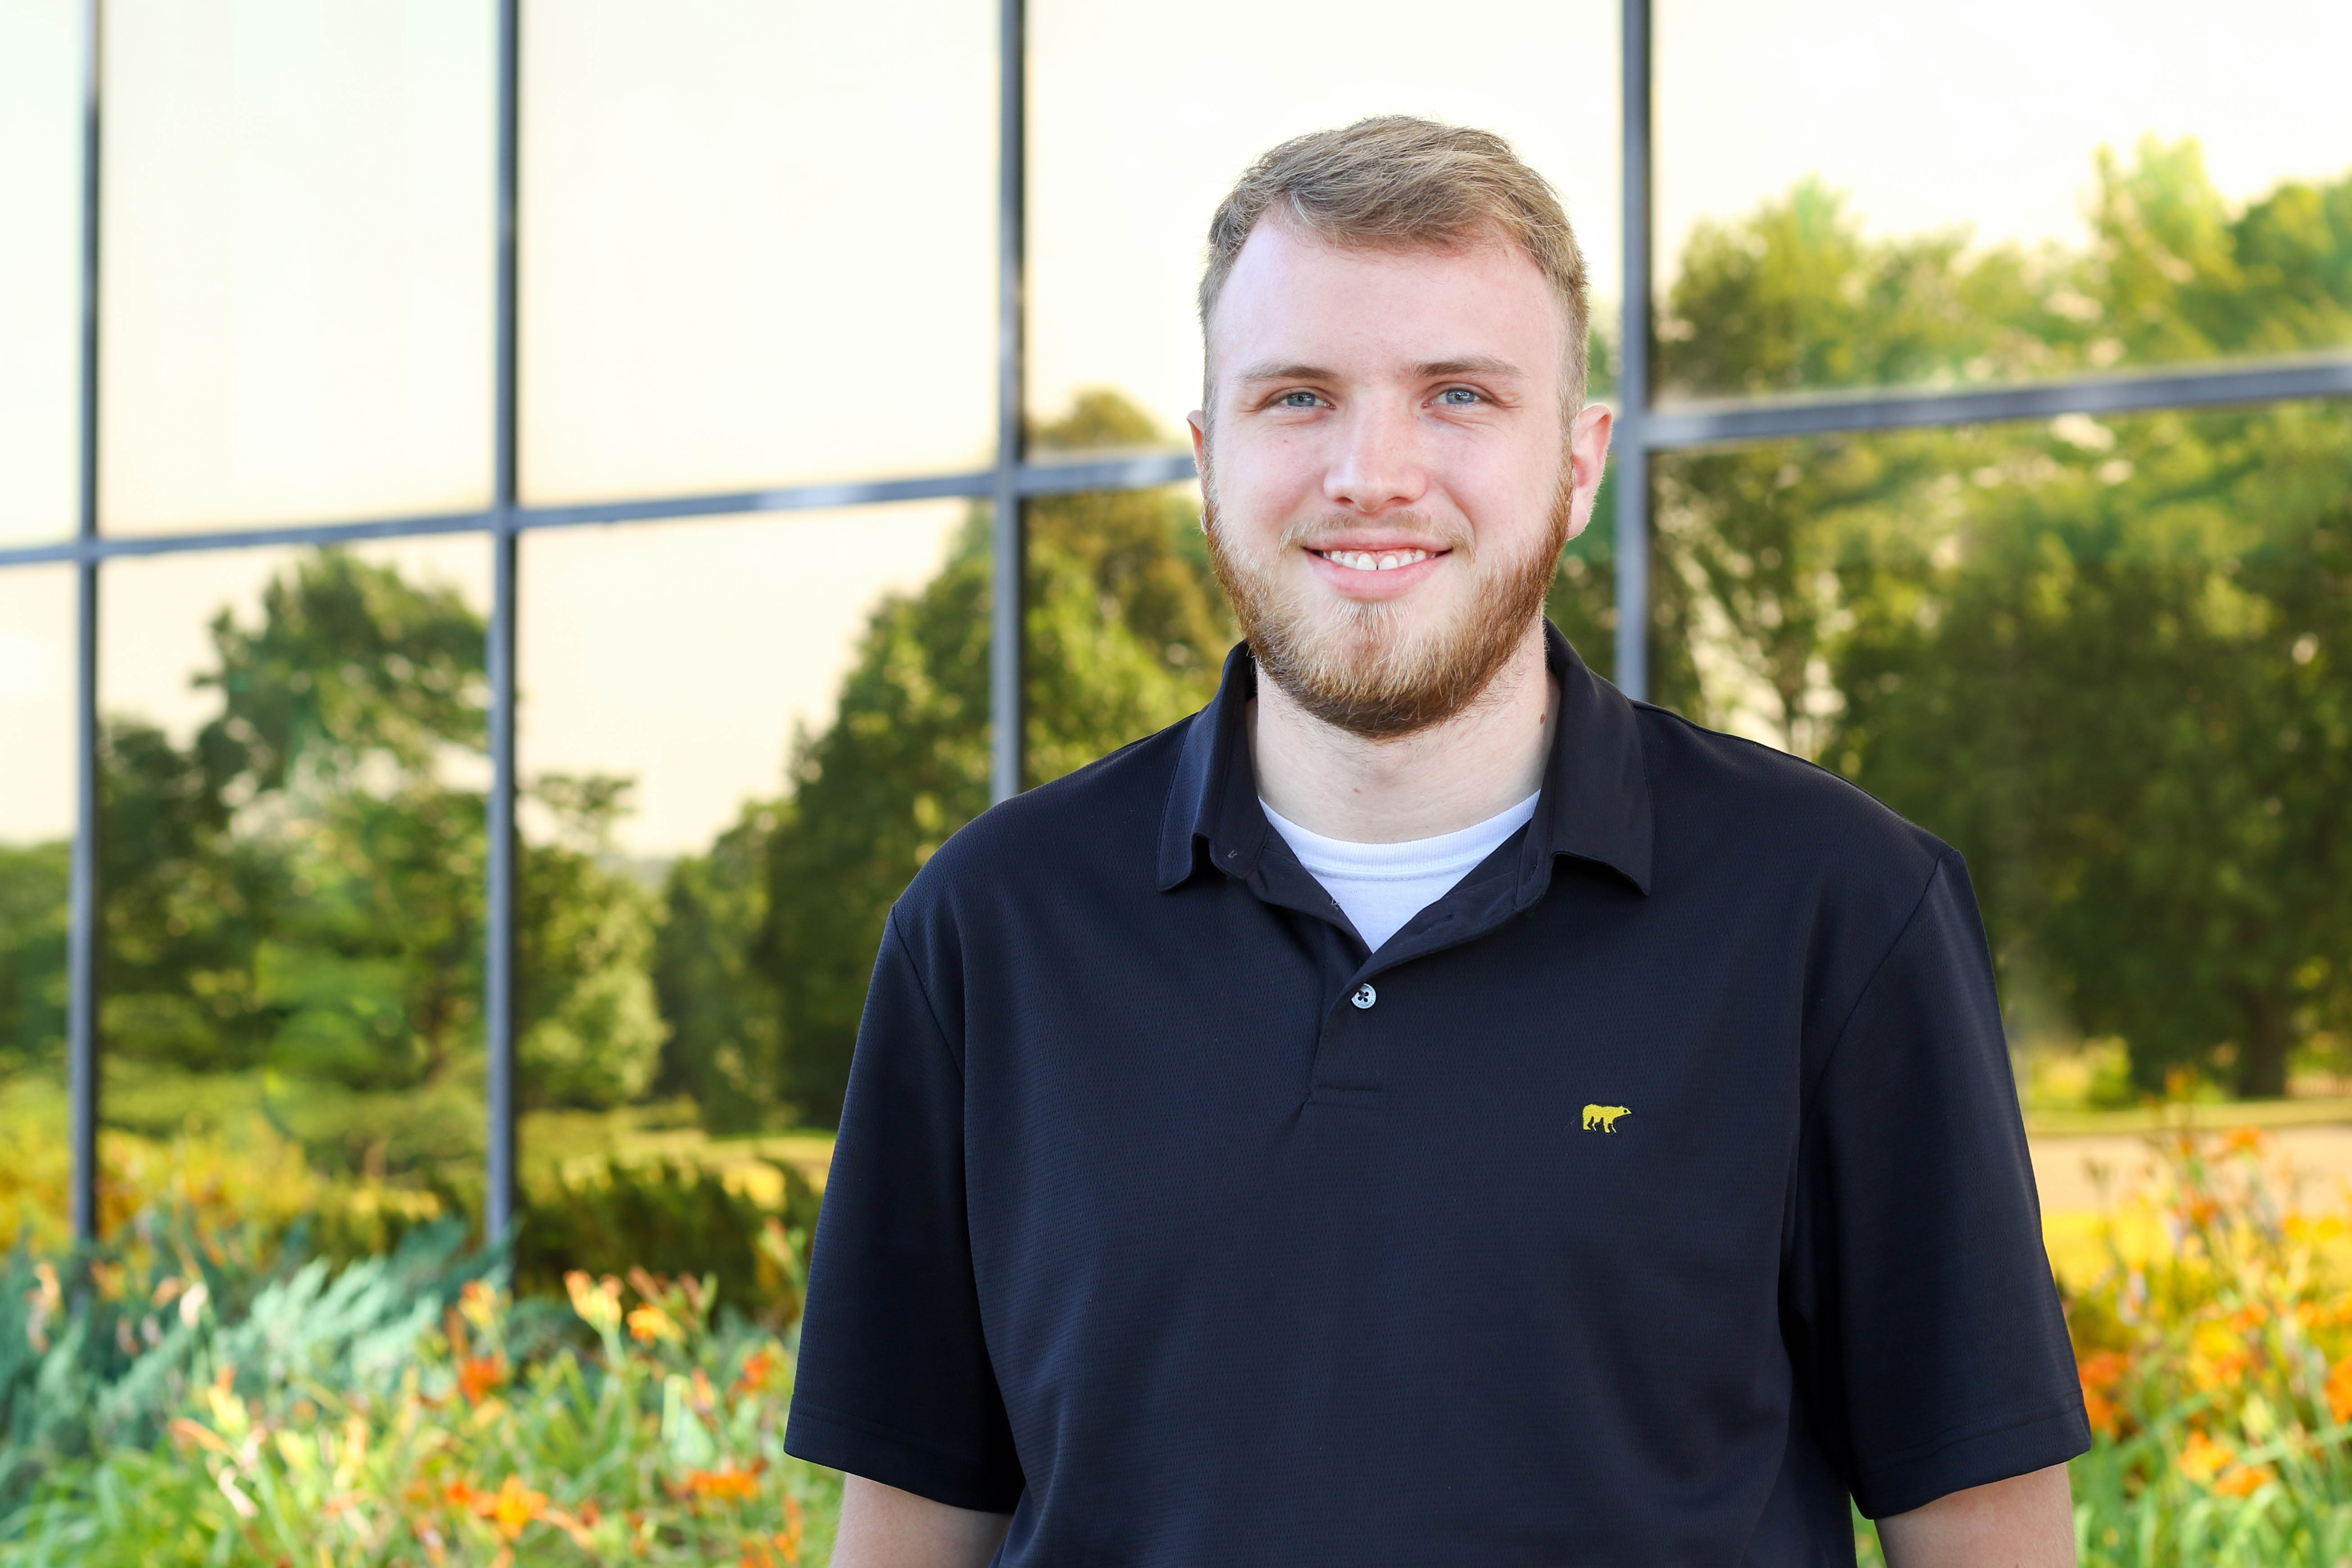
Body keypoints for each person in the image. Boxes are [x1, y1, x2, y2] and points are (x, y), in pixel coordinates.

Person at [784, 116, 2088, 1566]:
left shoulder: (1839, 908)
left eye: (1458, 394)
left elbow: (1985, 1526)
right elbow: (908, 1529)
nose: (1373, 473)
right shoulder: (990, 925)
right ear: (1209, 458)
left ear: (1579, 461)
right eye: (1298, 398)